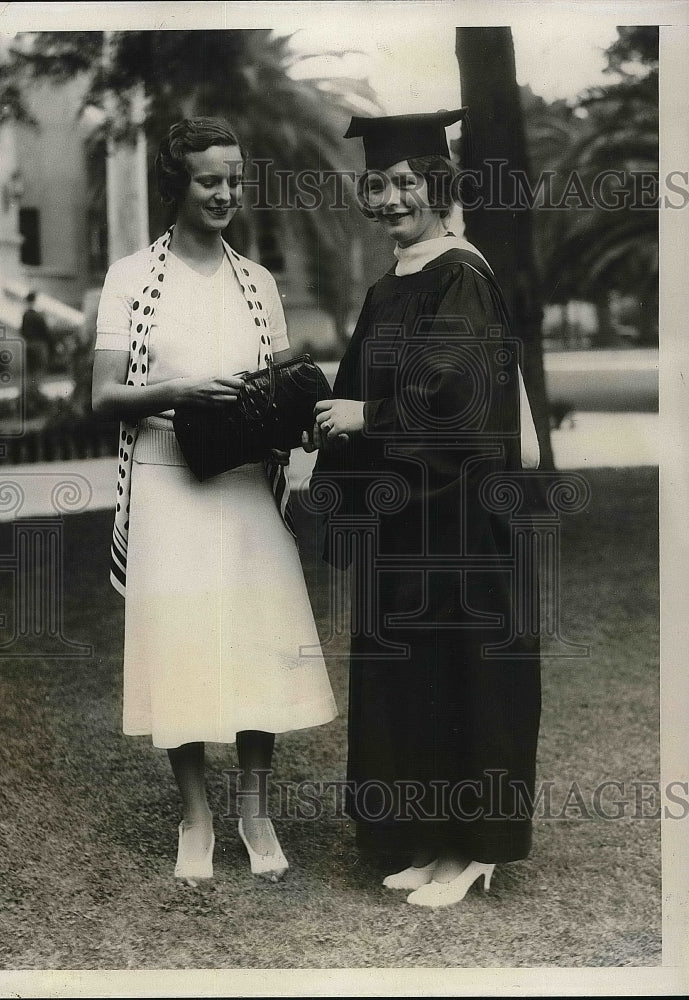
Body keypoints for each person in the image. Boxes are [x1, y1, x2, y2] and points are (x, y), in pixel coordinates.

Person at [92, 118, 337, 885]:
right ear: (178, 185)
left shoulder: (257, 284)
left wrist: (284, 425)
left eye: (234, 177)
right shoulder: (132, 277)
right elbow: (102, 396)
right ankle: (195, 815)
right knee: (183, 641)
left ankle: (254, 811)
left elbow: (269, 394)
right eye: (209, 179)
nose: (226, 191)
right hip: (169, 477)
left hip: (240, 481)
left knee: (260, 633)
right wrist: (179, 392)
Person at [306, 109, 541, 907]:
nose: (389, 197)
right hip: (406, 523)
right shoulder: (393, 281)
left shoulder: (459, 274)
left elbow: (456, 393)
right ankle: (427, 837)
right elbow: (353, 391)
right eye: (377, 184)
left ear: (440, 188)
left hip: (462, 524)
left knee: (462, 675)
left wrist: (366, 417)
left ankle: (474, 851)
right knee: (414, 679)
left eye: (406, 182)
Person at [21, 290, 51, 373]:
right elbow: (45, 330)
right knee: (39, 368)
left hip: (29, 343)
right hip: (39, 344)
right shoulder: (38, 315)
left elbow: (22, 331)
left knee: (31, 370)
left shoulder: (26, 315)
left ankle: (31, 385)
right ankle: (36, 385)